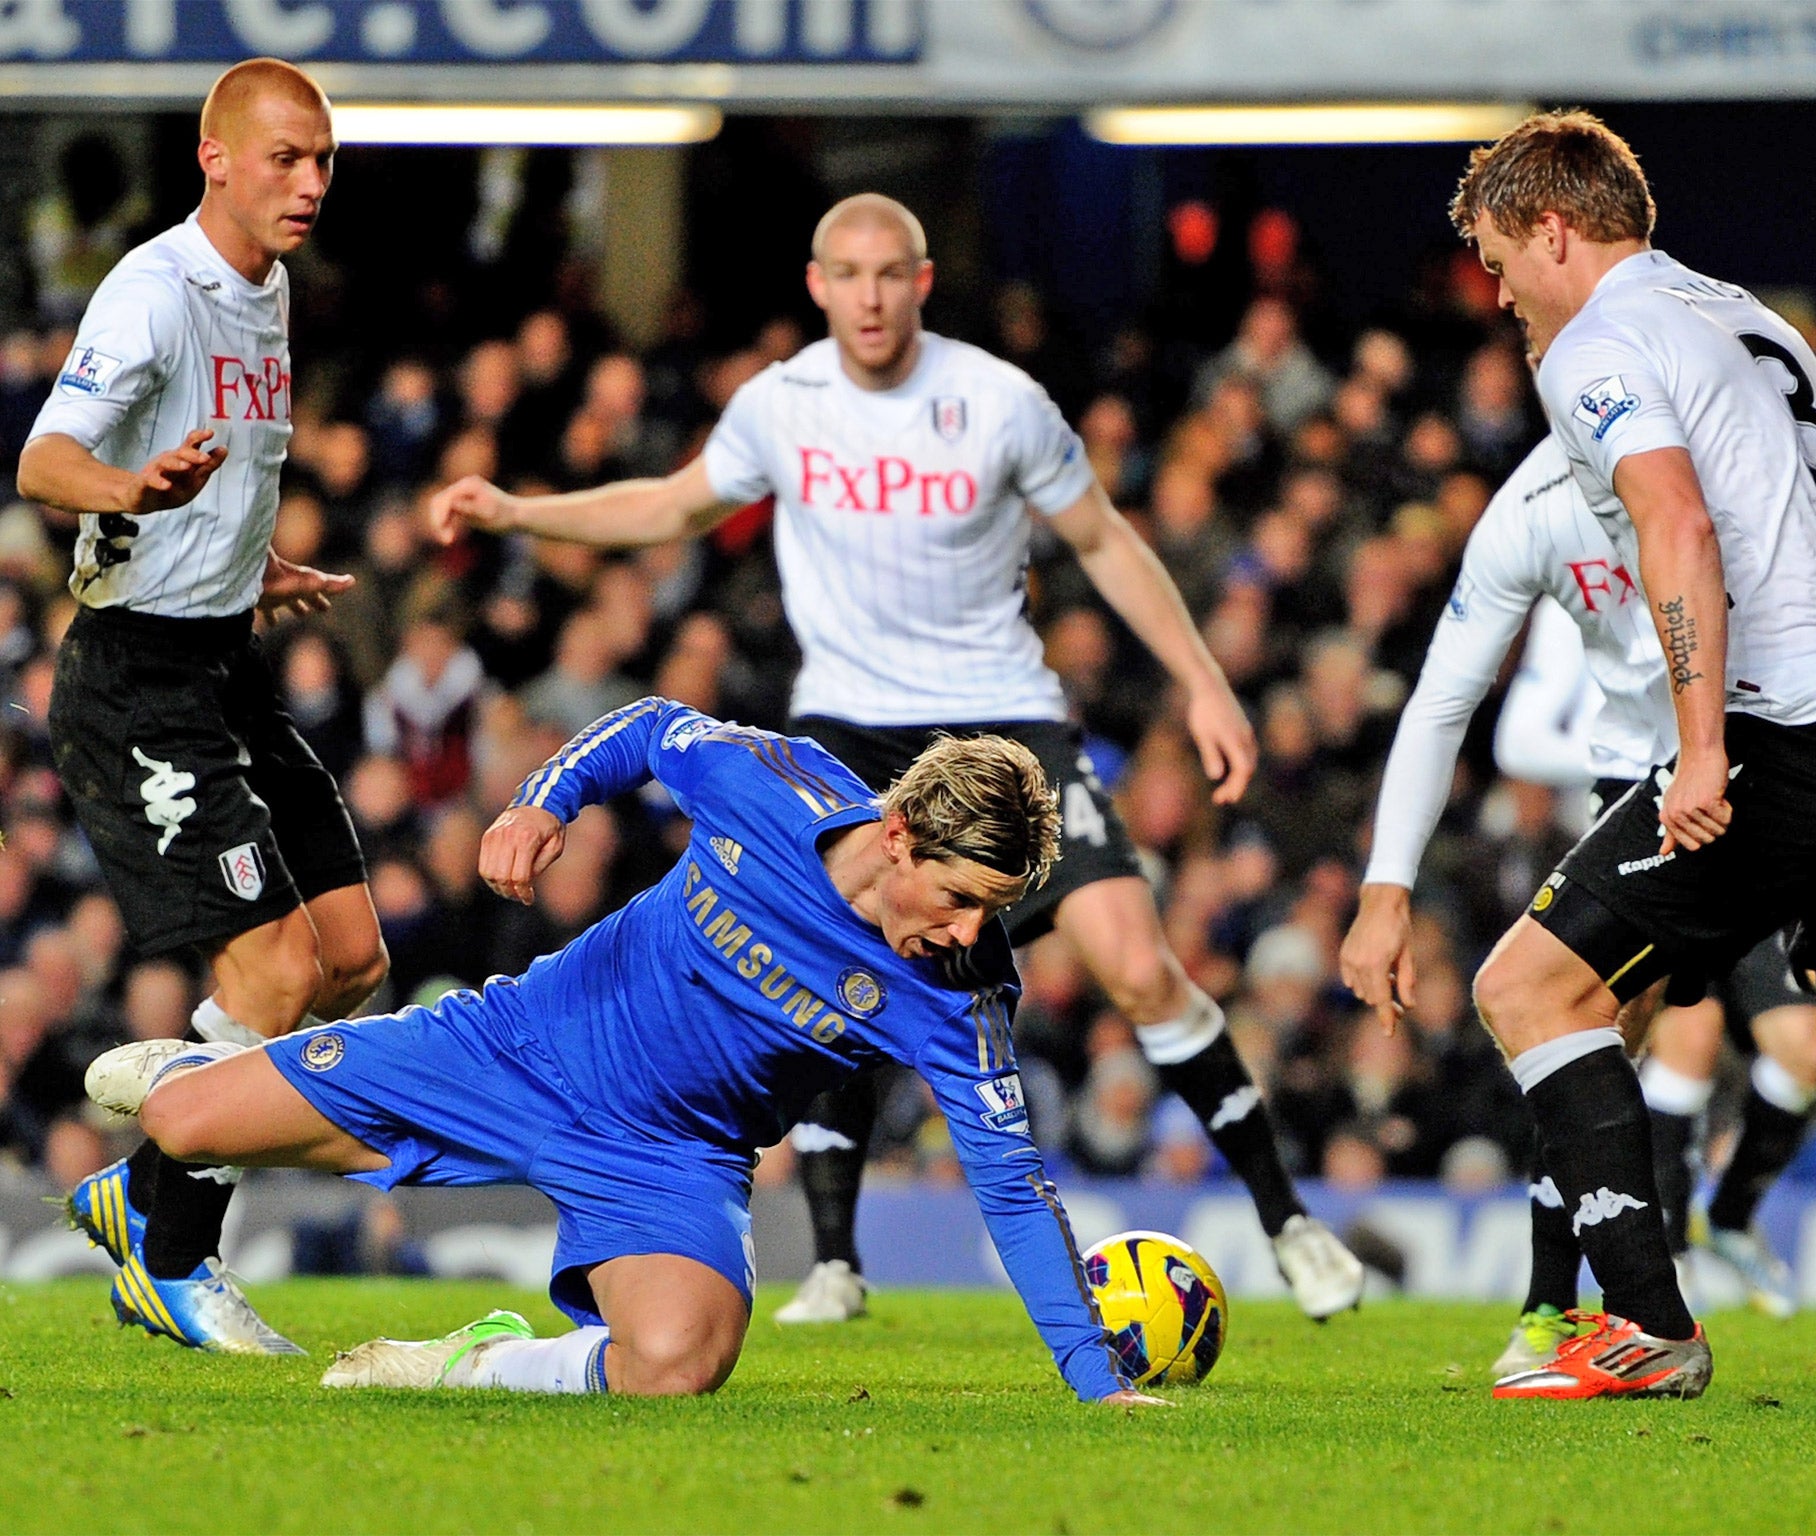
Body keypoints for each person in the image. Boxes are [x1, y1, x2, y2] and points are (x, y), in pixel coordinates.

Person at [428, 194, 1366, 1322]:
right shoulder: (780, 405)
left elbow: (1102, 540)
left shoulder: (999, 401)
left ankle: (1288, 1221)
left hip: (1003, 720)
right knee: (826, 970)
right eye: (848, 275)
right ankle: (833, 1261)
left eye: (891, 275)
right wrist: (523, 514)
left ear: (922, 284)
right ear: (817, 285)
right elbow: (671, 507)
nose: (869, 296)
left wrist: (1203, 680)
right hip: (849, 727)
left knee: (1134, 962)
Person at [1404, 109, 1816, 1401]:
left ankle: (1646, 1326)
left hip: (1790, 731)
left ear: (1553, 227)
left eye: (1495, 258)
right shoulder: (1748, 316)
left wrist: (1701, 747)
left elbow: (1675, 527)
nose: (1496, 289)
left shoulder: (1599, 341)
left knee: (1530, 989)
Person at [85, 704, 1157, 1406]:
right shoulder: (775, 786)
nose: (972, 932)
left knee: (679, 1363)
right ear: (897, 837)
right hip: (516, 1046)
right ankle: (193, 1084)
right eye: (963, 899)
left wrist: (1093, 1380)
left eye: (994, 911)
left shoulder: (957, 990)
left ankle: (472, 1364)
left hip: (670, 1156)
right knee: (179, 1127)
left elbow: (1012, 1190)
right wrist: (542, 803)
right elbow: (650, 728)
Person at [1339, 432, 1816, 1383]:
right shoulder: (1534, 509)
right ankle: (1555, 1306)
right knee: (1581, 1017)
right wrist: (1386, 887)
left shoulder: (1736, 455)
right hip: (1646, 789)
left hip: (1782, 759)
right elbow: (1443, 701)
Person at [15, 59, 386, 1353]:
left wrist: (244, 561)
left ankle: (155, 1155)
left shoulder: (271, 293)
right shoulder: (154, 292)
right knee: (278, 973)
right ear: (212, 158)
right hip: (136, 681)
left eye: (324, 159)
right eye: (285, 157)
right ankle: (170, 1257)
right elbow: (44, 459)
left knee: (352, 961)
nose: (311, 183)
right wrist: (137, 498)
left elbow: (229, 467)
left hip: (223, 650)